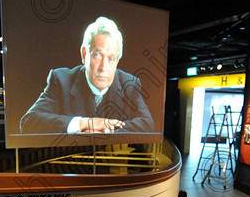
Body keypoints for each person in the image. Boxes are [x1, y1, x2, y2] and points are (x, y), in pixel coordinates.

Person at [20, 16, 154, 134]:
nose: (103, 67)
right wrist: (84, 123)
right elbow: (28, 122)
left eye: (111, 58)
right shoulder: (61, 80)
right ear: (84, 55)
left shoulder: (130, 84)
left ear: (117, 61)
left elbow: (148, 124)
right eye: (97, 55)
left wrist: (104, 130)